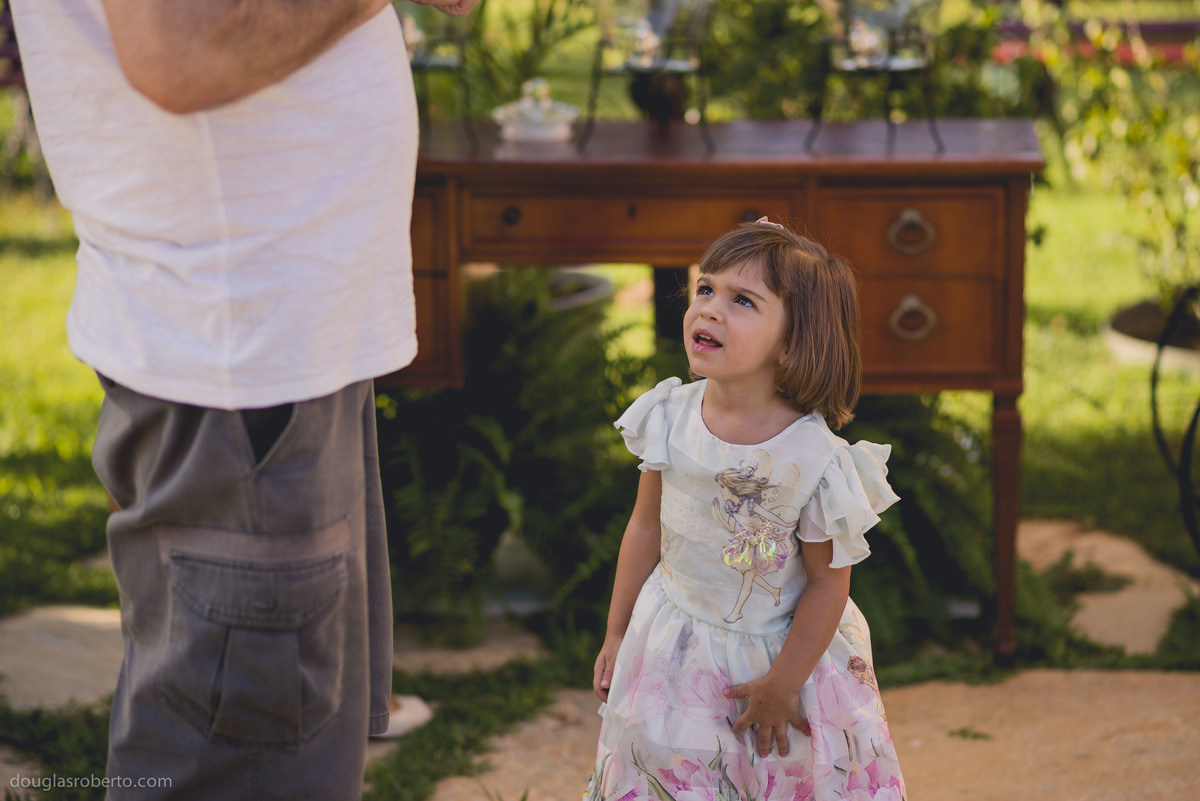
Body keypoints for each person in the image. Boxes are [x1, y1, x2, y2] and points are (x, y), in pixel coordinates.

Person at [10, 0, 478, 798]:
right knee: (237, 767)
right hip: (242, 351)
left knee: (289, 748)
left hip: (273, 338)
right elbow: (180, 55)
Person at [586, 219, 907, 800]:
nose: (708, 309)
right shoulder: (670, 416)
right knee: (674, 774)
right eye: (705, 289)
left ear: (792, 341)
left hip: (779, 661)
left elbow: (827, 585)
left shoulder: (813, 458)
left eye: (741, 301)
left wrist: (784, 685)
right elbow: (644, 526)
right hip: (672, 646)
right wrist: (616, 630)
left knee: (774, 775)